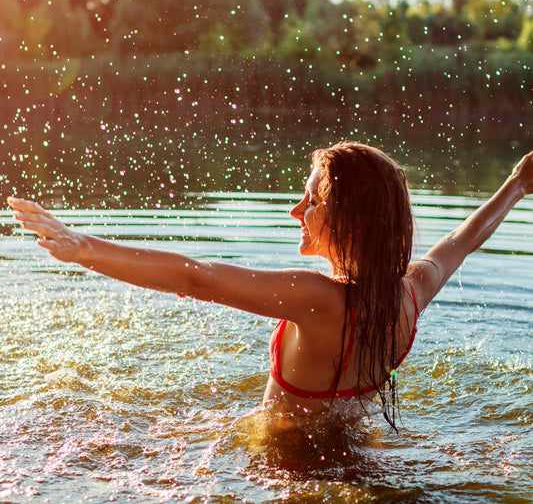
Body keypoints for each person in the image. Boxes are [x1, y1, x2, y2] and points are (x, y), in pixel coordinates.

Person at [7, 141, 533, 431]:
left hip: (281, 470)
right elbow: (465, 241)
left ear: (349, 218)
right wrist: (516, 185)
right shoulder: (410, 294)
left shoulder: (316, 300)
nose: (296, 210)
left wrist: (84, 246)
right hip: (359, 456)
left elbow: (195, 277)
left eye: (311, 201)